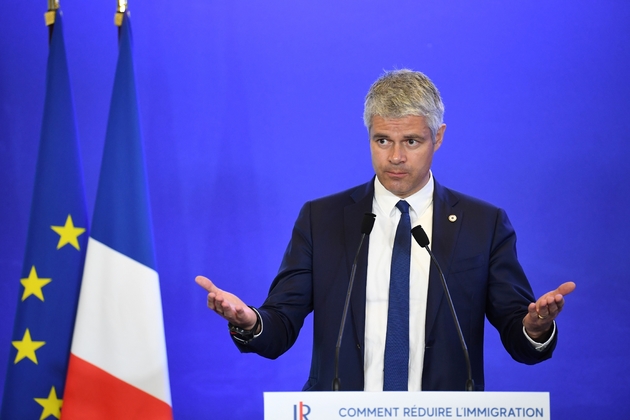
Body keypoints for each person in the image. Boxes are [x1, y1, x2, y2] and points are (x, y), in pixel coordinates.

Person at [195, 69, 575, 392]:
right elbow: (280, 326)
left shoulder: (483, 224)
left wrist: (534, 327)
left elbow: (519, 335)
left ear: (438, 137)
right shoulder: (322, 218)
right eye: (383, 141)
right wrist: (250, 321)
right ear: (370, 137)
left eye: (411, 141)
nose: (395, 157)